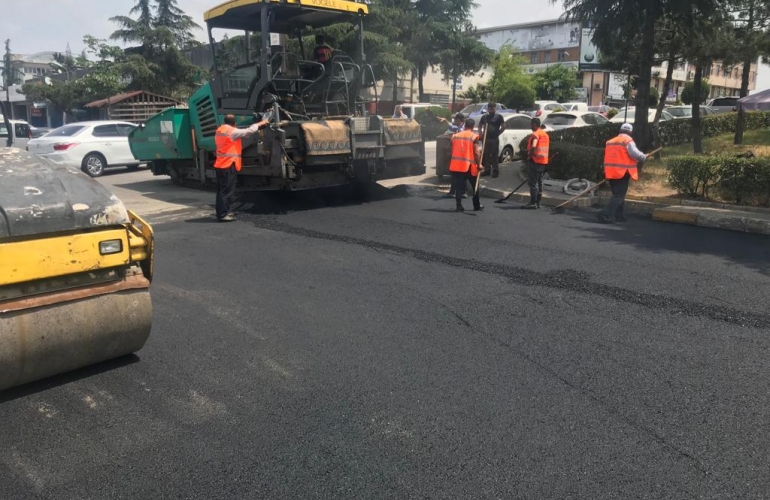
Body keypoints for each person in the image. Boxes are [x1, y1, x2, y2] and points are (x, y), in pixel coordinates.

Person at [214, 114, 269, 222]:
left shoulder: (220, 130)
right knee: (227, 191)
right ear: (235, 123)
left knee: (221, 191)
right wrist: (261, 123)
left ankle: (222, 212)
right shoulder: (232, 132)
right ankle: (222, 215)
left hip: (220, 164)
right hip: (228, 165)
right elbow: (248, 131)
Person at [597, 122, 647, 223]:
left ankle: (619, 215)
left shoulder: (610, 141)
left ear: (620, 130)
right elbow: (634, 153)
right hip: (622, 172)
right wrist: (643, 156)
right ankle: (605, 214)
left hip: (611, 172)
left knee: (618, 194)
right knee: (619, 195)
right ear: (630, 132)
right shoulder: (628, 140)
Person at [449, 118, 484, 212]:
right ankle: (476, 205)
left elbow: (451, 149)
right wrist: (479, 164)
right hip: (468, 166)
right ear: (472, 127)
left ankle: (459, 206)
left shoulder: (455, 136)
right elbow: (476, 153)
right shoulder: (473, 136)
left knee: (458, 187)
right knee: (475, 186)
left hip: (456, 166)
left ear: (465, 126)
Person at [521, 117, 550, 209]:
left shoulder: (536, 134)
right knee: (539, 181)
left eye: (531, 124)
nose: (530, 126)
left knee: (533, 183)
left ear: (534, 124)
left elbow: (534, 145)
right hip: (543, 162)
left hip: (535, 161)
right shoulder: (545, 135)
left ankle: (533, 202)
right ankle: (538, 202)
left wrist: (530, 154)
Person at [478, 103, 505, 178]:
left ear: (495, 108)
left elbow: (503, 126)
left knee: (494, 156)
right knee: (486, 155)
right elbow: (480, 125)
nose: (491, 109)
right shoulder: (485, 117)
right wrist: (480, 134)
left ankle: (495, 171)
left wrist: (498, 133)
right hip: (486, 139)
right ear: (488, 108)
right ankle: (487, 170)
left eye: (493, 107)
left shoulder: (499, 117)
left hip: (494, 139)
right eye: (490, 107)